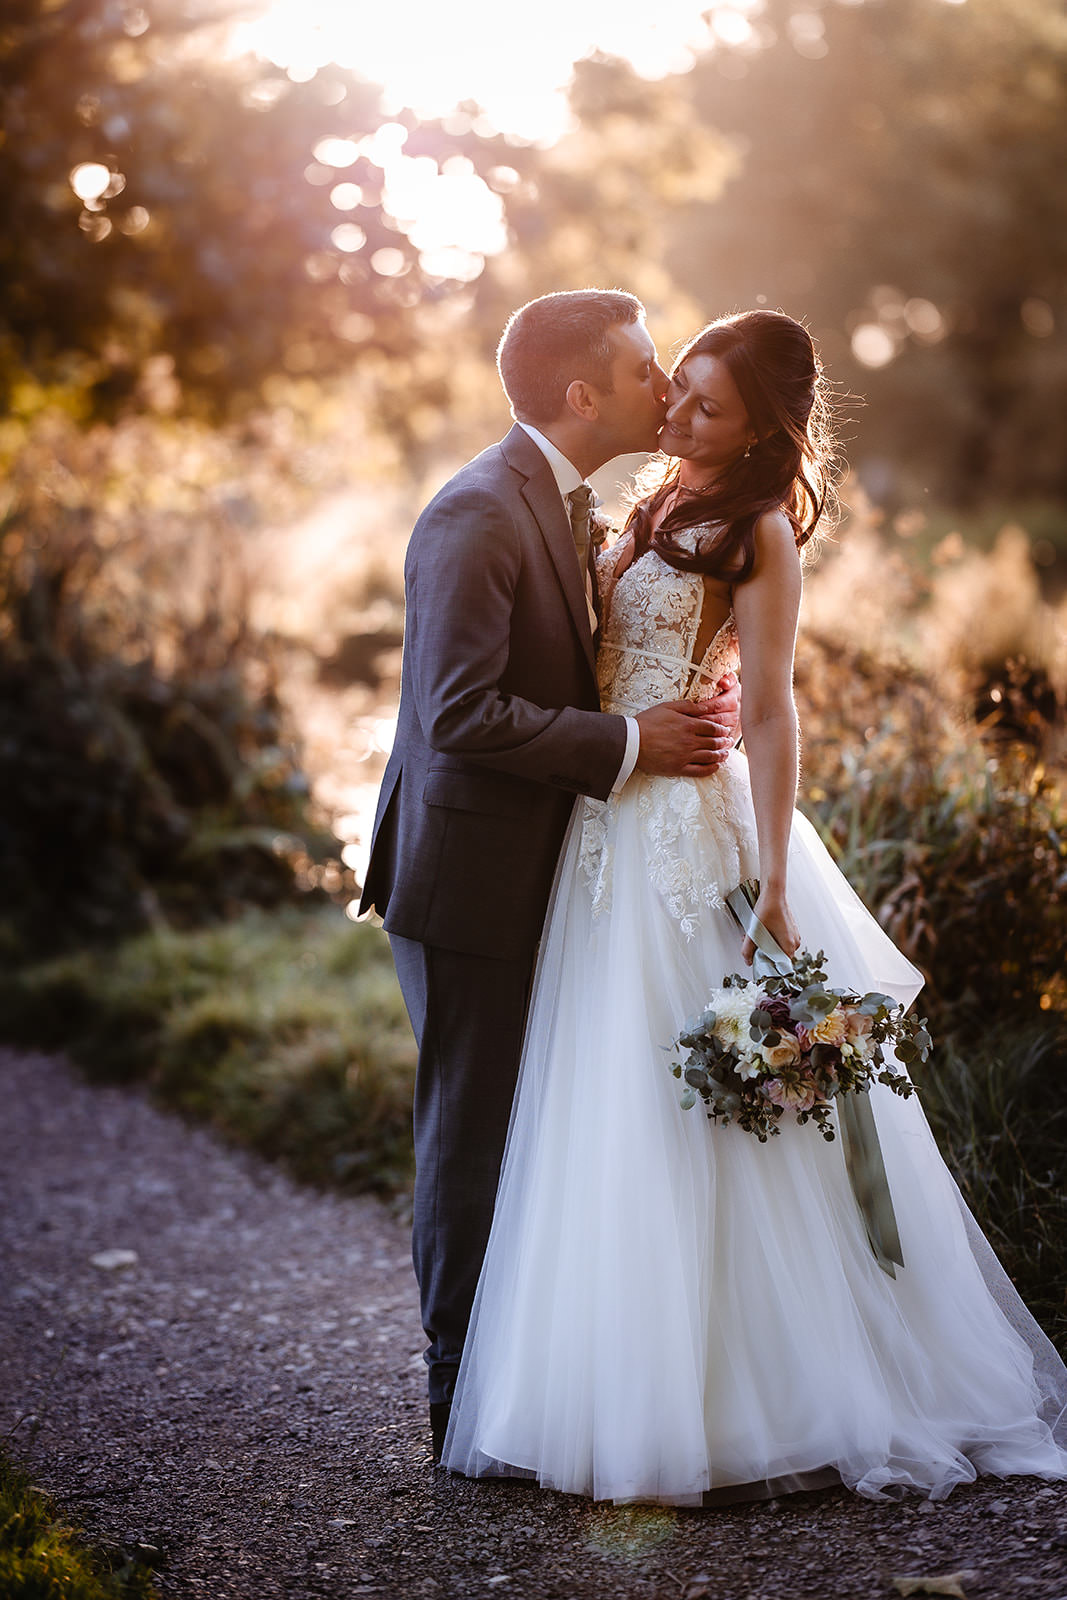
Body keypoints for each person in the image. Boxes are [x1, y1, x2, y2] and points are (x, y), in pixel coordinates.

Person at [441, 310, 1067, 1504]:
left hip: (692, 832)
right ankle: (600, 1380)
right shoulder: (650, 497)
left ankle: (748, 1397)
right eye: (675, 389)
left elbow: (771, 708)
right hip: (606, 824)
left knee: (705, 1103)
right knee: (603, 1092)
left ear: (761, 430)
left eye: (706, 406)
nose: (675, 412)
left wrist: (772, 875)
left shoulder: (759, 528)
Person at [358, 290, 743, 1460]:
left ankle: (522, 1378)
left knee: (535, 1125)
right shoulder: (475, 513)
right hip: (466, 873)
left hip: (549, 866)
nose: (664, 390)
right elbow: (459, 712)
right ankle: (454, 1402)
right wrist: (634, 745)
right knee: (474, 1132)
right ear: (583, 396)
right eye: (641, 370)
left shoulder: (569, 505)